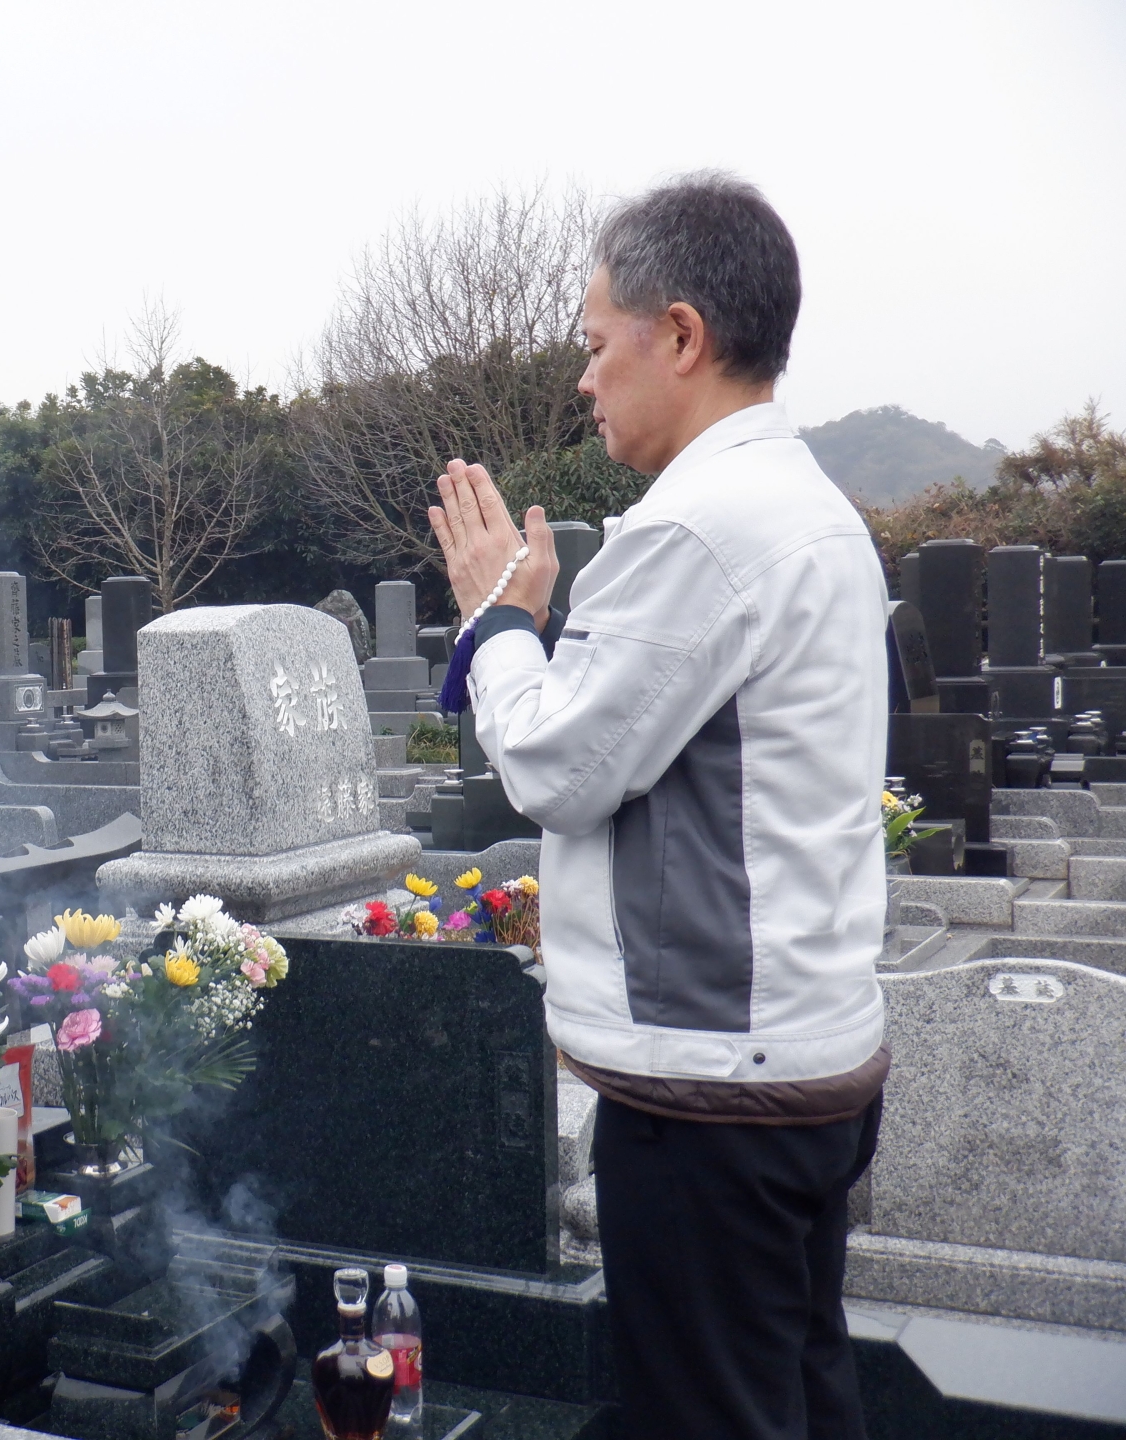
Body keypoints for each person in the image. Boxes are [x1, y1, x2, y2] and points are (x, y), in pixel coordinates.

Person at [427, 172, 887, 1440]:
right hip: (805, 1056)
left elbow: (555, 767)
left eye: (594, 344)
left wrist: (498, 618)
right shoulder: (816, 511)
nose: (584, 379)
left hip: (709, 1094)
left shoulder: (698, 527)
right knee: (800, 1388)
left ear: (680, 335)